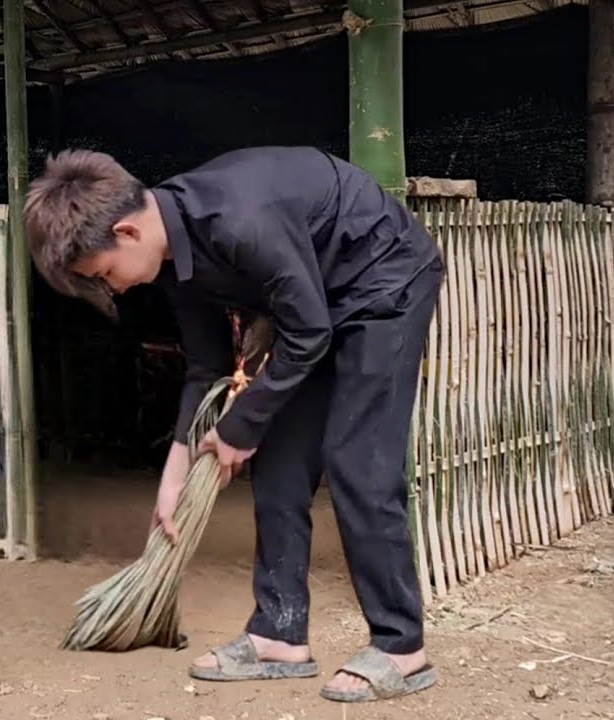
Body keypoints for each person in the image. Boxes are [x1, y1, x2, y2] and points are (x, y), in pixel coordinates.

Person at [24, 147, 444, 703]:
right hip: (315, 308)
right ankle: (279, 634)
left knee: (356, 459)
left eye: (103, 274)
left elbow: (309, 335)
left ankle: (400, 647)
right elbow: (207, 364)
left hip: (384, 282)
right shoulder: (172, 254)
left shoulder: (239, 219)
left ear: (126, 231)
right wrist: (175, 475)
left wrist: (237, 428)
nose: (115, 289)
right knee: (279, 462)